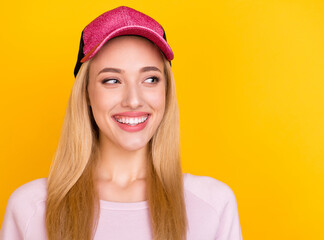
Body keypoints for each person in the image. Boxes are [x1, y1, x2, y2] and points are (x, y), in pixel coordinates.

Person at [0, 6, 243, 240]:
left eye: (150, 79)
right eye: (112, 81)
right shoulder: (30, 209)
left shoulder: (214, 206)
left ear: (167, 90)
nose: (134, 100)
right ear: (85, 93)